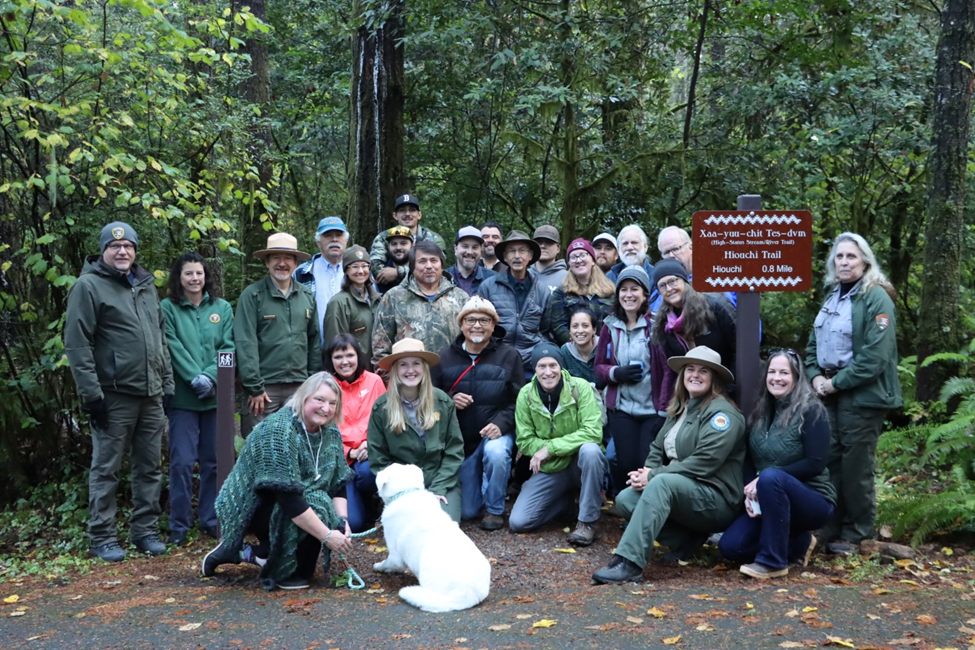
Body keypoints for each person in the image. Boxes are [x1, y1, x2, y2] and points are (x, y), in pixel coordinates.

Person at [65, 222, 174, 562]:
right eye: (115, 247)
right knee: (106, 468)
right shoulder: (89, 286)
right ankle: (102, 537)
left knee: (149, 468)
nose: (122, 251)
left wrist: (167, 384)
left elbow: (159, 339)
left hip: (151, 395)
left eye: (128, 245)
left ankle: (144, 532)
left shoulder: (145, 286)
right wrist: (91, 395)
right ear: (103, 251)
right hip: (113, 396)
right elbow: (77, 343)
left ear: (135, 251)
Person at [591, 347, 746, 584]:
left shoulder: (722, 414)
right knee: (626, 499)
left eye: (703, 371)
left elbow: (704, 462)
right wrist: (645, 473)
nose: (695, 375)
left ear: (714, 378)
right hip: (683, 490)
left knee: (661, 483)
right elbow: (657, 448)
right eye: (690, 369)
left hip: (717, 499)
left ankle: (630, 563)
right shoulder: (681, 408)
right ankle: (686, 541)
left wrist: (654, 474)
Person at [201, 372, 353, 591]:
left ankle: (256, 552)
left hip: (300, 499)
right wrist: (328, 535)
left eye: (332, 403)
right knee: (316, 503)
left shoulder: (330, 431)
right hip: (254, 505)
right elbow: (288, 496)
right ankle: (262, 556)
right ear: (304, 397)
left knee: (305, 569)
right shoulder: (279, 431)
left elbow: (339, 482)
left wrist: (342, 520)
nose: (326, 408)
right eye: (319, 399)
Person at [804, 233, 902, 555]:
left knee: (856, 463)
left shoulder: (876, 297)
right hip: (828, 391)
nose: (844, 262)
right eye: (840, 256)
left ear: (865, 262)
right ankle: (831, 523)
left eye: (851, 257)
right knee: (830, 460)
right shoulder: (833, 296)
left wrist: (837, 382)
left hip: (863, 393)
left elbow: (876, 356)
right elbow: (812, 347)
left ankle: (857, 531)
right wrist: (816, 377)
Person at [718, 350, 836, 578]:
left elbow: (816, 463)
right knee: (731, 547)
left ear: (796, 377)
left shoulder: (812, 411)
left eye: (784, 372)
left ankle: (773, 562)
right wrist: (750, 494)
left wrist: (764, 480)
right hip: (770, 497)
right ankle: (798, 543)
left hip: (812, 499)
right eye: (772, 372)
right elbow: (749, 458)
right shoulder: (760, 412)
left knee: (772, 476)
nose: (777, 378)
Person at [431, 296, 525, 530]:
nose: (477, 326)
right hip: (460, 441)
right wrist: (450, 401)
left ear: (494, 326)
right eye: (470, 320)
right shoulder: (443, 358)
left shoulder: (509, 356)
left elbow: (521, 401)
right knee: (468, 511)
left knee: (496, 453)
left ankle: (495, 509)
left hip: (494, 434)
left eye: (484, 320)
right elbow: (430, 399)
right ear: (461, 324)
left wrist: (502, 424)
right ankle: (483, 486)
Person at [161, 252, 234, 546]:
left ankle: (210, 519)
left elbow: (228, 345)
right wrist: (194, 376)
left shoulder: (222, 308)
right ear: (179, 277)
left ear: (206, 276)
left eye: (199, 273)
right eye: (188, 273)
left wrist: (211, 376)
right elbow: (171, 344)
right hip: (183, 399)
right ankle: (179, 525)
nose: (194, 278)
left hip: (215, 399)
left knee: (213, 462)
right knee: (181, 462)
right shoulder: (168, 307)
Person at [509, 343, 608, 547]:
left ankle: (587, 522)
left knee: (591, 450)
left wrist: (550, 449)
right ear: (534, 369)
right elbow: (525, 441)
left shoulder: (580, 388)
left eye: (553, 365)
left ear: (561, 367)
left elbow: (593, 432)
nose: (548, 372)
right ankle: (565, 505)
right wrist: (549, 452)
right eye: (541, 366)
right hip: (551, 468)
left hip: (579, 465)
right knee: (518, 522)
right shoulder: (526, 395)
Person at [367, 339, 465, 522]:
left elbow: (454, 450)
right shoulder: (381, 408)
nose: (410, 370)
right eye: (403, 365)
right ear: (395, 370)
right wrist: (403, 491)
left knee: (442, 526)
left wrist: (438, 488)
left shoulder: (442, 402)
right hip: (403, 487)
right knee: (410, 528)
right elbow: (378, 459)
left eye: (416, 364)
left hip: (439, 480)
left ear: (424, 368)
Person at [235, 233, 321, 437]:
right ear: (267, 262)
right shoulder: (253, 295)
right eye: (276, 258)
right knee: (259, 443)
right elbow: (245, 342)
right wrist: (254, 387)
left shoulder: (306, 296)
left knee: (297, 443)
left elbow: (314, 341)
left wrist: (311, 383)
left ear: (295, 263)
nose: (282, 263)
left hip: (299, 387)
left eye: (288, 258)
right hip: (264, 390)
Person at [595, 266, 669, 493]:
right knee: (625, 462)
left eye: (634, 289)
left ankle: (647, 512)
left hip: (651, 409)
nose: (629, 294)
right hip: (622, 408)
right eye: (623, 289)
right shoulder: (610, 325)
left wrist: (664, 411)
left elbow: (668, 370)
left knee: (645, 463)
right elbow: (598, 368)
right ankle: (628, 510)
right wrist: (617, 373)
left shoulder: (657, 324)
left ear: (645, 294)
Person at [371, 240, 469, 372]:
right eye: (422, 261)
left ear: (441, 264)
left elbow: (470, 343)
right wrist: (392, 383)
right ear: (412, 266)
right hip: (409, 380)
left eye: (434, 260)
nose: (429, 266)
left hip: (453, 379)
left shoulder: (461, 297)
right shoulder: (394, 297)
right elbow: (380, 348)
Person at [324, 334, 386, 533]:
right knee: (355, 524)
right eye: (338, 357)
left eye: (349, 355)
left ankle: (373, 500)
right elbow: (320, 433)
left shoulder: (374, 382)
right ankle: (361, 507)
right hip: (340, 461)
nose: (345, 362)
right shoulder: (325, 387)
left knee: (367, 472)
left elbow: (385, 421)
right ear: (330, 360)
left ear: (358, 356)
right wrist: (348, 452)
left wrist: (369, 443)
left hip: (368, 454)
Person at [651, 259, 737, 401]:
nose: (669, 288)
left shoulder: (715, 306)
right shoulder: (663, 324)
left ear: (684, 280)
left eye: (673, 281)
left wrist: (729, 387)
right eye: (662, 285)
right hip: (693, 394)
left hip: (729, 388)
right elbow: (673, 368)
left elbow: (741, 347)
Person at [476, 230, 553, 375]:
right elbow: (480, 324)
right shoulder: (488, 287)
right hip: (496, 358)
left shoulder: (542, 291)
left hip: (531, 362)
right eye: (511, 251)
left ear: (530, 256)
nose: (517, 256)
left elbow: (545, 329)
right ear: (505, 256)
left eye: (522, 251)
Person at [545, 238, 615, 345]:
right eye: (573, 257)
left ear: (592, 260)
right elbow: (558, 327)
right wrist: (582, 344)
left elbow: (616, 323)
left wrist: (601, 346)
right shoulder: (560, 293)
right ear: (569, 263)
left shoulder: (610, 292)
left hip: (606, 350)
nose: (578, 260)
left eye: (583, 255)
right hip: (573, 351)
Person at [369, 193, 447, 288]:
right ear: (395, 215)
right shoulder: (383, 237)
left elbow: (437, 268)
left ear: (419, 214)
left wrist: (399, 272)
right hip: (389, 289)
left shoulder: (433, 238)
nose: (407, 214)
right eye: (402, 210)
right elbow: (375, 266)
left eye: (412, 210)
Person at [294, 216, 350, 344]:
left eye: (339, 235)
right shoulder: (302, 273)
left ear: (346, 240)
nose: (334, 239)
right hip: (313, 347)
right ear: (318, 242)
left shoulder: (359, 271)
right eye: (328, 235)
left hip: (351, 352)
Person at [657, 225, 736, 307]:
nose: (671, 255)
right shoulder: (662, 287)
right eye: (666, 252)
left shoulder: (716, 274)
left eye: (676, 249)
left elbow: (734, 309)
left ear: (691, 248)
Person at [322, 245, 380, 356]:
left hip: (378, 369)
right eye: (354, 266)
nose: (360, 271)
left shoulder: (378, 300)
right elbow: (333, 344)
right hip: (353, 369)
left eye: (364, 266)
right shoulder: (338, 303)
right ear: (346, 271)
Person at [445, 226, 497, 296]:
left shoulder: (493, 279)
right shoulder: (443, 278)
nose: (470, 252)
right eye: (465, 246)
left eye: (475, 247)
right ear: (455, 249)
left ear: (480, 250)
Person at [561, 308, 599, 385]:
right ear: (570, 331)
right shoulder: (565, 351)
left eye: (585, 326)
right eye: (575, 326)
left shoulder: (605, 347)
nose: (580, 331)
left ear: (594, 330)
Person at [375, 226, 414, 295]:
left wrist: (399, 272)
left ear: (412, 245)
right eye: (394, 244)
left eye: (403, 243)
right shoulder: (381, 273)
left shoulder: (420, 269)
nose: (398, 247)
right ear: (388, 246)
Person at [531, 225, 568, 295]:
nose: (543, 246)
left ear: (558, 249)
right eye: (539, 242)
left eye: (549, 242)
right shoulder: (523, 275)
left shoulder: (568, 278)